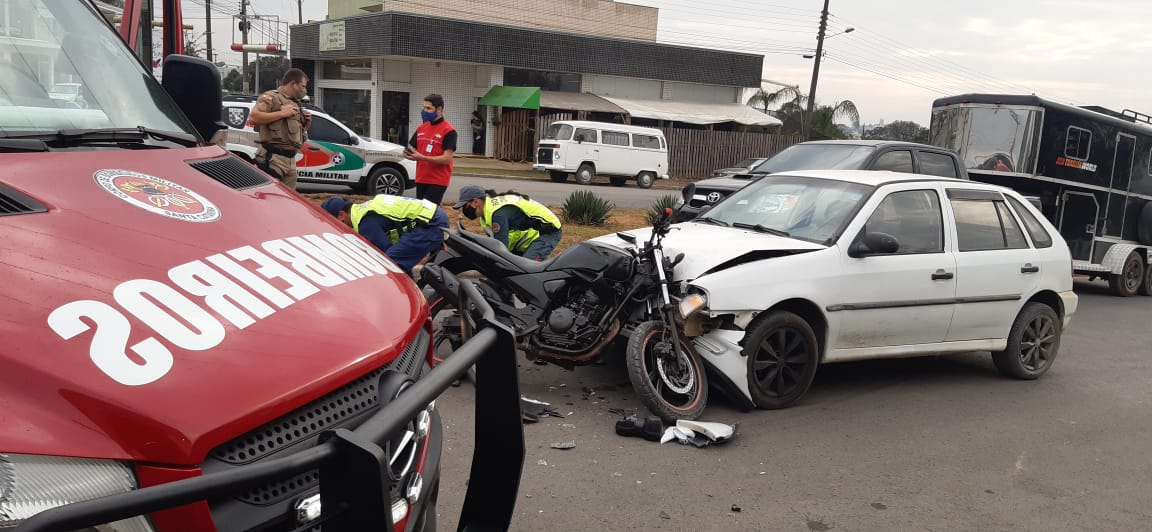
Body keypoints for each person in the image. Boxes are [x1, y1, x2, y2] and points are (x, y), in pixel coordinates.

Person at [320, 194, 449, 276]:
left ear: (342, 215)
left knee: (389, 265)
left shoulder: (365, 223)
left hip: (431, 223)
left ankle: (410, 304)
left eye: (332, 222)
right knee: (397, 261)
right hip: (432, 217)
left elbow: (383, 255)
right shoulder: (364, 210)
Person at [452, 185, 562, 261]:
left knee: (524, 271)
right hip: (529, 235)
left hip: (550, 231)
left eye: (465, 206)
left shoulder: (497, 214)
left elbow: (501, 249)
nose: (464, 211)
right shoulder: (486, 214)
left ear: (475, 202)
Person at [247, 68, 312, 189]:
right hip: (273, 158)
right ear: (293, 84)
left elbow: (295, 131)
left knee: (288, 201)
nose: (304, 90)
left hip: (290, 160)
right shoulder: (271, 97)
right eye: (302, 86)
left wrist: (306, 122)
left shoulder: (295, 102)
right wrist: (281, 114)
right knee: (269, 197)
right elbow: (254, 118)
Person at [404, 94, 455, 205]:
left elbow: (447, 158)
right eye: (424, 108)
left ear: (439, 109)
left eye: (428, 108)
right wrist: (410, 155)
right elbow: (415, 150)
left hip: (437, 180)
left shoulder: (449, 131)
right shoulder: (421, 128)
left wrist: (422, 157)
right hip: (421, 178)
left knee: (426, 213)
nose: (424, 111)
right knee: (419, 213)